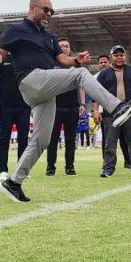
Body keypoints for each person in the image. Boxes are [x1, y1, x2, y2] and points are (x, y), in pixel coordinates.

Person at [0, 0, 131, 202]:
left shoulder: (49, 37)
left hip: (44, 88)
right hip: (29, 79)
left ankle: (13, 183)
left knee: (41, 140)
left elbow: (62, 60)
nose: (49, 15)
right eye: (45, 10)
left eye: (51, 12)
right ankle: (116, 108)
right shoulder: (16, 30)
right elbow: (0, 54)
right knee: (80, 75)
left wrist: (76, 60)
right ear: (32, 7)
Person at [91, 44, 131, 178]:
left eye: (121, 55)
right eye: (116, 55)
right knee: (109, 143)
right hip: (110, 113)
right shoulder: (104, 74)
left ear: (125, 56)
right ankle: (108, 168)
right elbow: (96, 93)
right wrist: (95, 111)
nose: (119, 58)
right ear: (111, 57)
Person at [45, 38, 86, 177]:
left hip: (72, 107)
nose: (64, 48)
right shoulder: (51, 64)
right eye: (61, 46)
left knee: (71, 139)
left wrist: (82, 103)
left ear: (70, 49)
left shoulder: (77, 66)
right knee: (53, 139)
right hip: (54, 107)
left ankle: (70, 166)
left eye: (66, 46)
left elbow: (81, 86)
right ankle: (50, 167)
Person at [0, 52, 31, 182]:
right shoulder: (1, 59)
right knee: (4, 138)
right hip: (6, 106)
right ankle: (3, 170)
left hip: (24, 105)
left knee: (23, 139)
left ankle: (22, 169)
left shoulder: (27, 59)